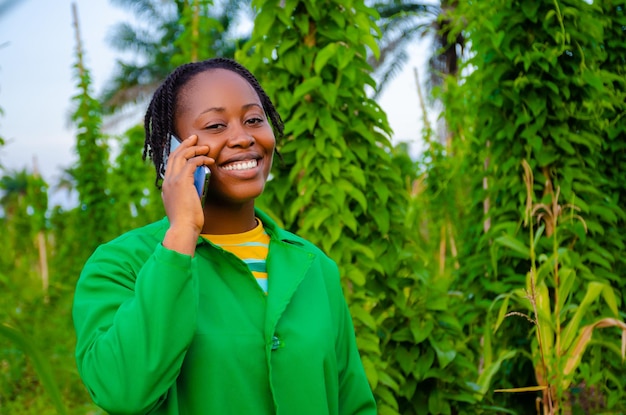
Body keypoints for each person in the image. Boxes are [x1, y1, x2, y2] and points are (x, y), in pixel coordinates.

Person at [72, 57, 377, 415]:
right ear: (171, 150)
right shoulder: (122, 264)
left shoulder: (315, 267)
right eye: (216, 125)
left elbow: (353, 404)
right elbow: (121, 390)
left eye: (253, 119)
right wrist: (182, 232)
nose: (243, 137)